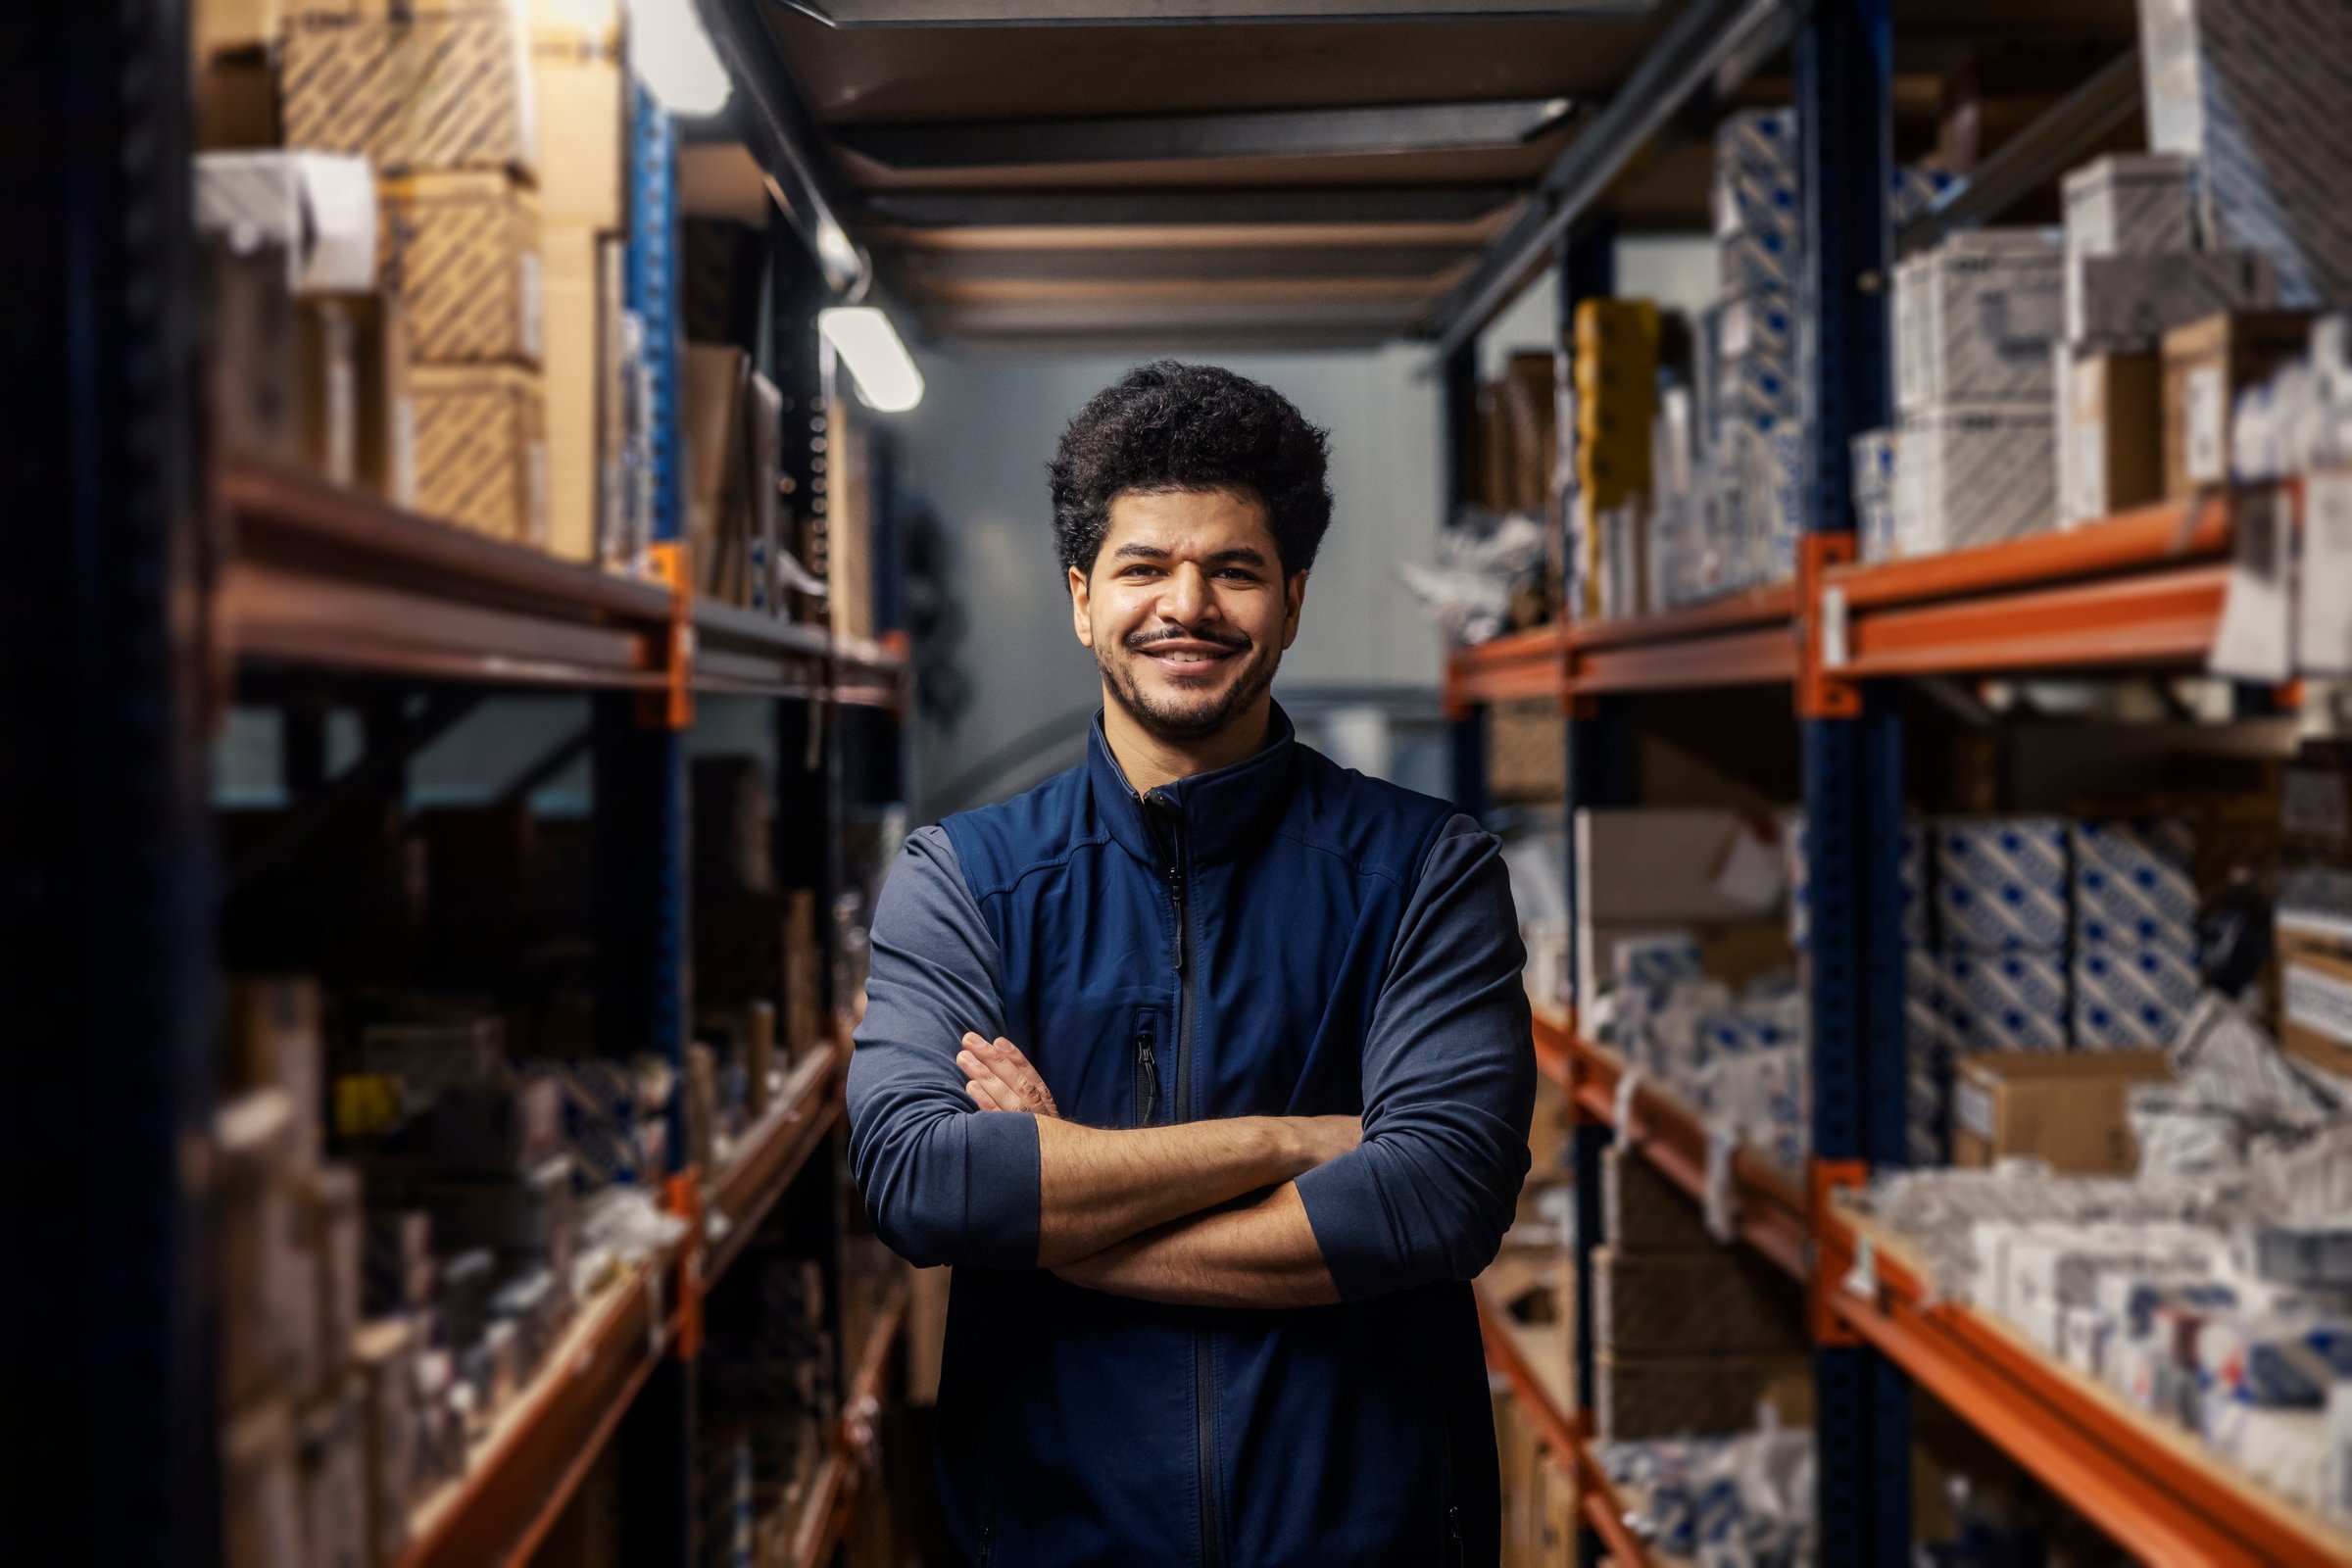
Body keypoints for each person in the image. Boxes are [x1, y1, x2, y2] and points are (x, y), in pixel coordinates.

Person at [847, 361, 1535, 1567]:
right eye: (1145, 566)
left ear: (1294, 596)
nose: (1189, 605)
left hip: (1362, 1538)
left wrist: (1056, 1213)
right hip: (1054, 1538)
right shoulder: (966, 880)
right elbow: (924, 1183)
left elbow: (1430, 1198)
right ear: (1080, 595)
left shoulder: (1427, 869)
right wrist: (1294, 1139)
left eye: (1234, 569)